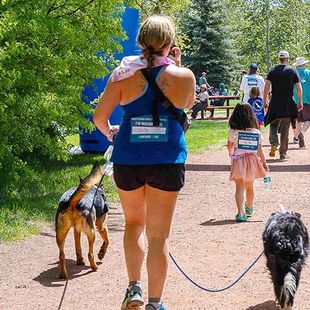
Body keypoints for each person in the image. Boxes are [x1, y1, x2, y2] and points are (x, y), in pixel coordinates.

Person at [93, 15, 195, 310]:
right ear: (171, 43)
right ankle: (155, 302)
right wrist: (175, 64)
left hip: (128, 160)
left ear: (141, 41)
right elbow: (186, 105)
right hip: (167, 160)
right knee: (158, 234)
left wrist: (111, 133)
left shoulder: (122, 74)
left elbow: (99, 118)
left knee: (134, 223)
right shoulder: (183, 75)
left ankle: (133, 288)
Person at [227, 103, 269, 222]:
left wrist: (231, 154)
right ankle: (249, 207)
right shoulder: (256, 132)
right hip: (252, 161)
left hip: (238, 161)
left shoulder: (233, 131)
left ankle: (240, 213)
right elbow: (260, 151)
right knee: (250, 187)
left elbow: (230, 146)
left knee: (239, 187)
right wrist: (264, 164)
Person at [263, 50, 303, 160]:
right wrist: (300, 101)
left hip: (275, 102)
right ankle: (283, 153)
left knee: (273, 123)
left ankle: (274, 144)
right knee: (285, 127)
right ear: (288, 58)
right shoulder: (292, 70)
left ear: (279, 59)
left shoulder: (272, 70)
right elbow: (299, 88)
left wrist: (264, 100)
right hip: (287, 103)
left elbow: (266, 85)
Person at [293, 56, 310, 148]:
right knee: (308, 119)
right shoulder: (308, 73)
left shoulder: (293, 73)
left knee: (298, 120)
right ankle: (302, 134)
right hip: (308, 99)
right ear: (304, 64)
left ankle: (296, 137)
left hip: (296, 100)